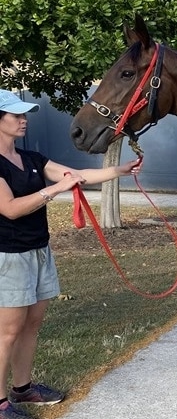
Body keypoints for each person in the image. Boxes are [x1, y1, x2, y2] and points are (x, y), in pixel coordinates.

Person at [0, 89, 142, 419]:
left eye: (24, 115)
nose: (24, 121)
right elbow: (9, 209)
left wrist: (119, 171)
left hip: (38, 251)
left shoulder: (31, 159)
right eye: (16, 116)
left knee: (31, 326)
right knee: (8, 331)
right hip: (9, 257)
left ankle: (23, 388)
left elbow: (77, 176)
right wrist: (53, 190)